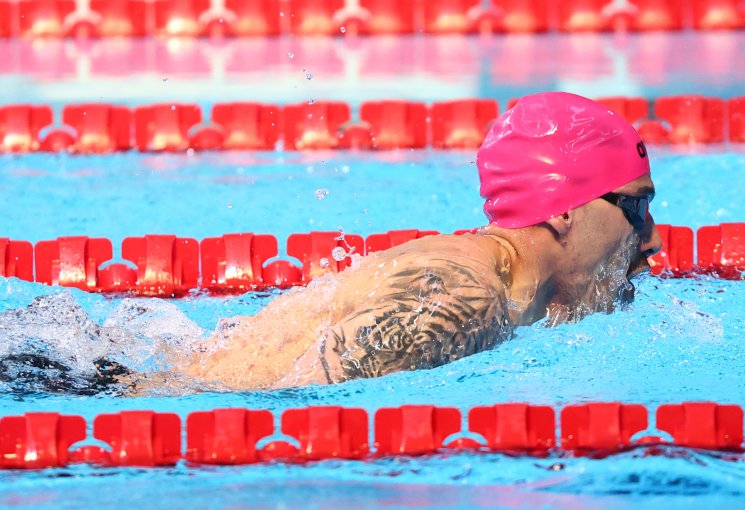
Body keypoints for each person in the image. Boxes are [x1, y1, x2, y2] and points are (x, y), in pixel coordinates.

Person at [0, 92, 661, 394]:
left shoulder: (480, 283)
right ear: (566, 210)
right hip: (82, 385)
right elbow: (285, 410)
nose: (651, 241)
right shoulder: (462, 299)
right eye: (636, 206)